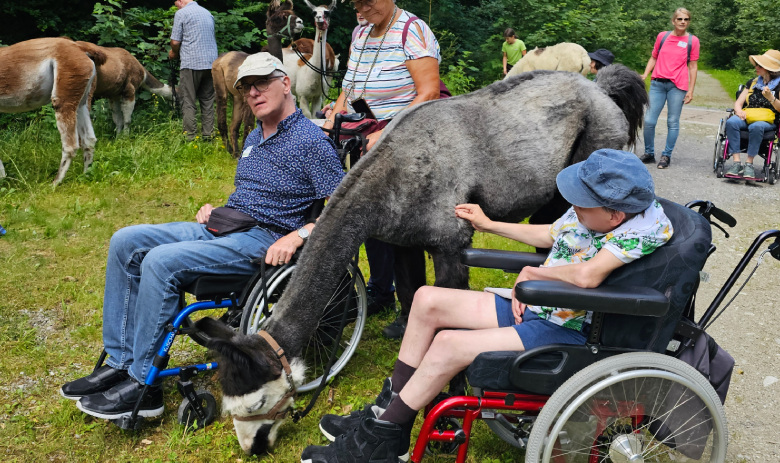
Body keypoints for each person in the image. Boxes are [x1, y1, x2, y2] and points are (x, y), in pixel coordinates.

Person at [300, 149, 674, 463]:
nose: (573, 207)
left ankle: (379, 442)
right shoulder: (594, 213)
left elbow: (589, 276)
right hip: (539, 305)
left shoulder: (642, 230)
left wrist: (535, 273)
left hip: (568, 326)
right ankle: (388, 413)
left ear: (615, 215)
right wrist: (488, 224)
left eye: (582, 204)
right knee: (427, 300)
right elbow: (551, 234)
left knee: (448, 343)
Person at [59, 53, 345, 420]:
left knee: (160, 262)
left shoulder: (309, 140)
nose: (254, 93)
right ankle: (120, 361)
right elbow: (252, 190)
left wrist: (299, 235)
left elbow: (341, 207)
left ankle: (144, 386)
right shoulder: (256, 135)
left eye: (262, 83)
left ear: (285, 83)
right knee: (125, 240)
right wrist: (218, 209)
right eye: (246, 87)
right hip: (227, 224)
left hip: (265, 238)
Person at [322, 0, 443, 339]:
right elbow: (351, 86)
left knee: (403, 226)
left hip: (403, 139)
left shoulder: (411, 30)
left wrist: (387, 133)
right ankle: (379, 290)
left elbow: (429, 92)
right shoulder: (361, 30)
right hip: (365, 136)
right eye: (356, 1)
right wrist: (337, 112)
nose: (361, 6)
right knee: (369, 217)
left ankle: (413, 307)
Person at [640, 7, 699, 170]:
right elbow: (654, 57)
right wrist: (645, 74)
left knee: (672, 121)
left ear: (689, 22)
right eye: (679, 19)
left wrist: (691, 90)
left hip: (677, 86)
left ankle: (666, 155)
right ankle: (649, 153)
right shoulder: (663, 36)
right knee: (649, 120)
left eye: (686, 19)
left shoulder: (692, 41)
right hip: (657, 84)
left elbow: (693, 67)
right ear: (673, 21)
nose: (682, 22)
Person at [724, 49, 780, 179]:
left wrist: (771, 98)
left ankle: (749, 163)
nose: (756, 67)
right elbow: (738, 103)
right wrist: (739, 111)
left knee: (757, 126)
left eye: (760, 65)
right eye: (757, 64)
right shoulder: (753, 82)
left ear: (769, 68)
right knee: (731, 122)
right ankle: (736, 162)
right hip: (748, 116)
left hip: (767, 121)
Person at [169, 0, 219, 141]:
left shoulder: (182, 13)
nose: (176, 6)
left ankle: (190, 137)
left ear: (181, 1)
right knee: (208, 100)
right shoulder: (208, 13)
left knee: (188, 100)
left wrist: (173, 53)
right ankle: (208, 136)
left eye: (176, 3)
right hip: (211, 64)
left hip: (191, 63)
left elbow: (175, 42)